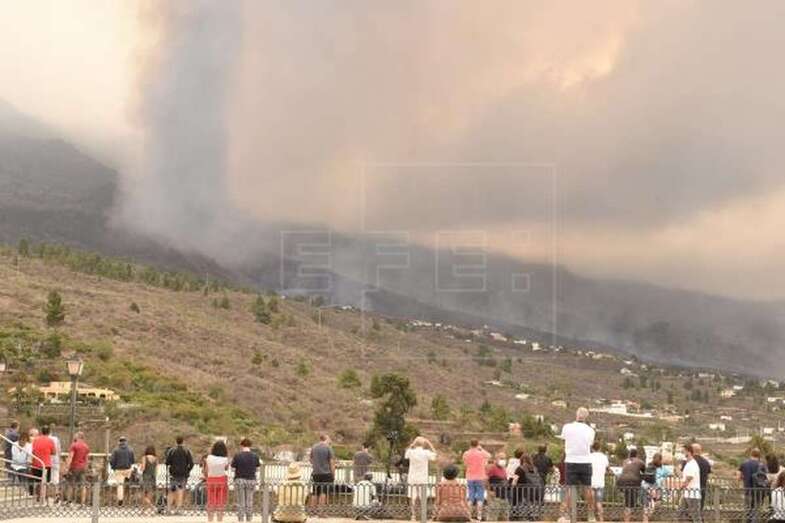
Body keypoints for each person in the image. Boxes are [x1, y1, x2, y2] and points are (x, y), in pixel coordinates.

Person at [559, 408, 595, 521]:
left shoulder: (567, 427)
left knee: (569, 489)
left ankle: (567, 515)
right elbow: (590, 444)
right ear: (586, 417)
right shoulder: (590, 430)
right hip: (585, 461)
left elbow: (563, 439)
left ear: (576, 415)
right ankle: (591, 515)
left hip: (571, 461)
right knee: (588, 489)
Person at [405, 436, 436, 521]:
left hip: (412, 477)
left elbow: (406, 455)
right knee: (423, 496)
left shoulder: (411, 452)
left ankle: (413, 515)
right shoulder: (426, 452)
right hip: (422, 477)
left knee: (412, 496)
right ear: (423, 444)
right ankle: (423, 515)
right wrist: (430, 444)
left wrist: (412, 445)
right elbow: (435, 455)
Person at [232, 438, 260, 522]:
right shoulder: (255, 456)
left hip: (240, 479)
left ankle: (241, 519)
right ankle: (249, 519)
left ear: (242, 445)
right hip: (251, 479)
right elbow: (257, 469)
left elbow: (233, 469)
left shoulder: (237, 455)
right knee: (249, 501)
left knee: (241, 501)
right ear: (250, 445)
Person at [463, 439, 491, 521]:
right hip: (480, 477)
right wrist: (481, 448)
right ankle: (479, 516)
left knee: (471, 496)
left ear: (470, 444)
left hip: (470, 477)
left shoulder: (466, 453)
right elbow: (489, 456)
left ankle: (469, 515)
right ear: (477, 444)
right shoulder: (481, 453)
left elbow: (465, 464)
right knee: (480, 497)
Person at [738, 448, 769, 523]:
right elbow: (766, 478)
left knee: (748, 509)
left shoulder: (744, 464)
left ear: (751, 454)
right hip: (759, 492)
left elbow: (739, 477)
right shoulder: (762, 465)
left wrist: (744, 477)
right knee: (756, 510)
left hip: (748, 490)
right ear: (759, 455)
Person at [165, 435, 194, 515]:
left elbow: (167, 462)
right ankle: (178, 509)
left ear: (176, 441)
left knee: (172, 491)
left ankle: (168, 509)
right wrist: (187, 471)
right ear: (183, 441)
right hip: (183, 474)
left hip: (173, 474)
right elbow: (191, 463)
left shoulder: (171, 451)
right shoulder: (186, 451)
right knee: (180, 490)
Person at [511, 451, 543, 521]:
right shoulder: (535, 469)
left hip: (521, 493)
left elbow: (514, 481)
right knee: (530, 510)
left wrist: (511, 487)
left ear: (522, 460)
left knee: (519, 510)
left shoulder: (520, 468)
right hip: (534, 492)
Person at [617, 448, 645, 523]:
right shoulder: (640, 462)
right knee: (630, 505)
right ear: (637, 455)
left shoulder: (625, 461)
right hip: (633, 483)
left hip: (621, 482)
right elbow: (644, 471)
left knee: (628, 502)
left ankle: (627, 517)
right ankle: (627, 520)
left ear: (629, 454)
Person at [205, 440, 229, 522]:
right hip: (221, 480)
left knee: (211, 501)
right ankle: (219, 520)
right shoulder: (225, 459)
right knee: (220, 502)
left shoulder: (209, 458)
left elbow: (206, 470)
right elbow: (226, 468)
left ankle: (210, 520)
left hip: (211, 480)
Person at [31, 425, 56, 503]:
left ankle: (37, 497)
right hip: (46, 464)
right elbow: (54, 452)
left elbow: (33, 451)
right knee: (45, 482)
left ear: (41, 431)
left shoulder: (35, 440)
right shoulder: (50, 441)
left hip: (36, 463)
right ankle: (44, 498)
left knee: (37, 481)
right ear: (49, 432)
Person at [309, 434, 335, 508]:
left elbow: (310, 460)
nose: (330, 440)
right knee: (323, 492)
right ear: (326, 439)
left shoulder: (314, 447)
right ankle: (321, 512)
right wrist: (333, 474)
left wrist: (316, 464)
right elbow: (331, 462)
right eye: (329, 439)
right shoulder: (328, 448)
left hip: (316, 473)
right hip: (326, 473)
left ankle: (312, 510)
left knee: (315, 492)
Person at [65, 431, 90, 505]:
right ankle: (83, 502)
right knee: (83, 485)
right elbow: (87, 459)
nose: (74, 437)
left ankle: (69, 501)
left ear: (78, 437)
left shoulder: (74, 445)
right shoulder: (86, 446)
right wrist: (86, 467)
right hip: (83, 467)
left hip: (74, 467)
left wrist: (67, 466)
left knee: (71, 484)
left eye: (76, 435)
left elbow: (71, 456)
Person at [679, 444, 702, 523]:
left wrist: (681, 486)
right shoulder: (688, 463)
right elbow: (684, 476)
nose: (682, 453)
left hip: (693, 494)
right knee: (680, 513)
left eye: (683, 451)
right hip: (687, 493)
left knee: (695, 516)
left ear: (688, 452)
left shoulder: (692, 464)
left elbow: (689, 478)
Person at [109, 436, 135, 506]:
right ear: (126, 442)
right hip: (128, 469)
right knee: (127, 485)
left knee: (120, 485)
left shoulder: (115, 450)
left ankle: (120, 499)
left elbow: (112, 460)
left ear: (119, 442)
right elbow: (132, 461)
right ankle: (129, 499)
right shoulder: (130, 450)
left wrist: (113, 467)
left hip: (119, 470)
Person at [589, 442, 609, 522]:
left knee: (591, 503)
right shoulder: (604, 457)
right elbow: (608, 467)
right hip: (600, 482)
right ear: (600, 448)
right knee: (599, 503)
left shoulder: (589, 456)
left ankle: (592, 519)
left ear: (592, 448)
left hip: (591, 482)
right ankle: (601, 519)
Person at [693, 443, 712, 514]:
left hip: (691, 489)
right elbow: (708, 473)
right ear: (700, 451)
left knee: (688, 511)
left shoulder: (689, 461)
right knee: (699, 510)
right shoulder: (706, 462)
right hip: (702, 488)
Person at [139, 446, 158, 512]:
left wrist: (140, 467)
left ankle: (152, 507)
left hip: (146, 476)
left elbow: (143, 468)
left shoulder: (144, 458)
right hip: (153, 477)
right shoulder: (156, 459)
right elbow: (156, 470)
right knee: (149, 494)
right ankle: (144, 509)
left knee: (143, 494)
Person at [47, 425, 62, 501]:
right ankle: (56, 494)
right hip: (56, 461)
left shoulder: (45, 439)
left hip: (47, 461)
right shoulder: (56, 439)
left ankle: (47, 495)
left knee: (46, 479)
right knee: (56, 479)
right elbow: (59, 450)